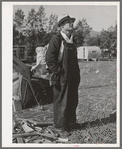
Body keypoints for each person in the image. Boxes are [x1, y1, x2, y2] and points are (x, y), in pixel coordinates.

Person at [46, 14, 81, 138]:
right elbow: (50, 59)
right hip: (61, 77)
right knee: (61, 102)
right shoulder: (56, 39)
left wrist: (76, 74)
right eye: (68, 22)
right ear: (61, 26)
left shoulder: (71, 39)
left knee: (72, 100)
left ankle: (70, 123)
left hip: (73, 76)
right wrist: (59, 72)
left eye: (71, 22)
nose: (71, 24)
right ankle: (59, 127)